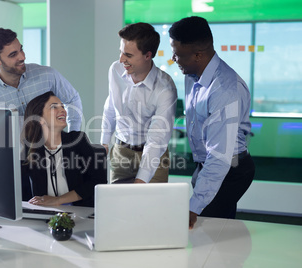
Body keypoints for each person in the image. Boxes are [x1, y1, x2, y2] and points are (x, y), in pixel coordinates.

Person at [169, 16, 255, 229]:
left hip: (230, 168)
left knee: (204, 228)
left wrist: (193, 206)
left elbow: (219, 156)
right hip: (205, 164)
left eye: (178, 55)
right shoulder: (192, 75)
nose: (173, 59)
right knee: (218, 230)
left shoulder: (224, 90)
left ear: (198, 55)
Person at [101, 22, 178, 184]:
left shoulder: (165, 88)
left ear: (148, 55)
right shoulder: (115, 70)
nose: (121, 59)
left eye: (128, 55)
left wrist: (141, 180)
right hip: (121, 152)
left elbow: (157, 138)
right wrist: (104, 142)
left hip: (154, 155)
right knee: (117, 205)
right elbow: (111, 106)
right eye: (121, 52)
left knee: (151, 207)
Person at [0, 28, 82, 132]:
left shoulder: (47, 75)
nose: (22, 57)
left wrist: (73, 134)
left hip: (51, 150)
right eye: (13, 54)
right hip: (10, 153)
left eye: (21, 49)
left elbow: (72, 99)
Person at [21, 91, 107, 207]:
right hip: (44, 215)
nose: (63, 110)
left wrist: (58, 200)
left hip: (81, 214)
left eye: (62, 106)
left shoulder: (78, 140)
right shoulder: (29, 150)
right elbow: (20, 192)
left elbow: (97, 182)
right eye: (54, 107)